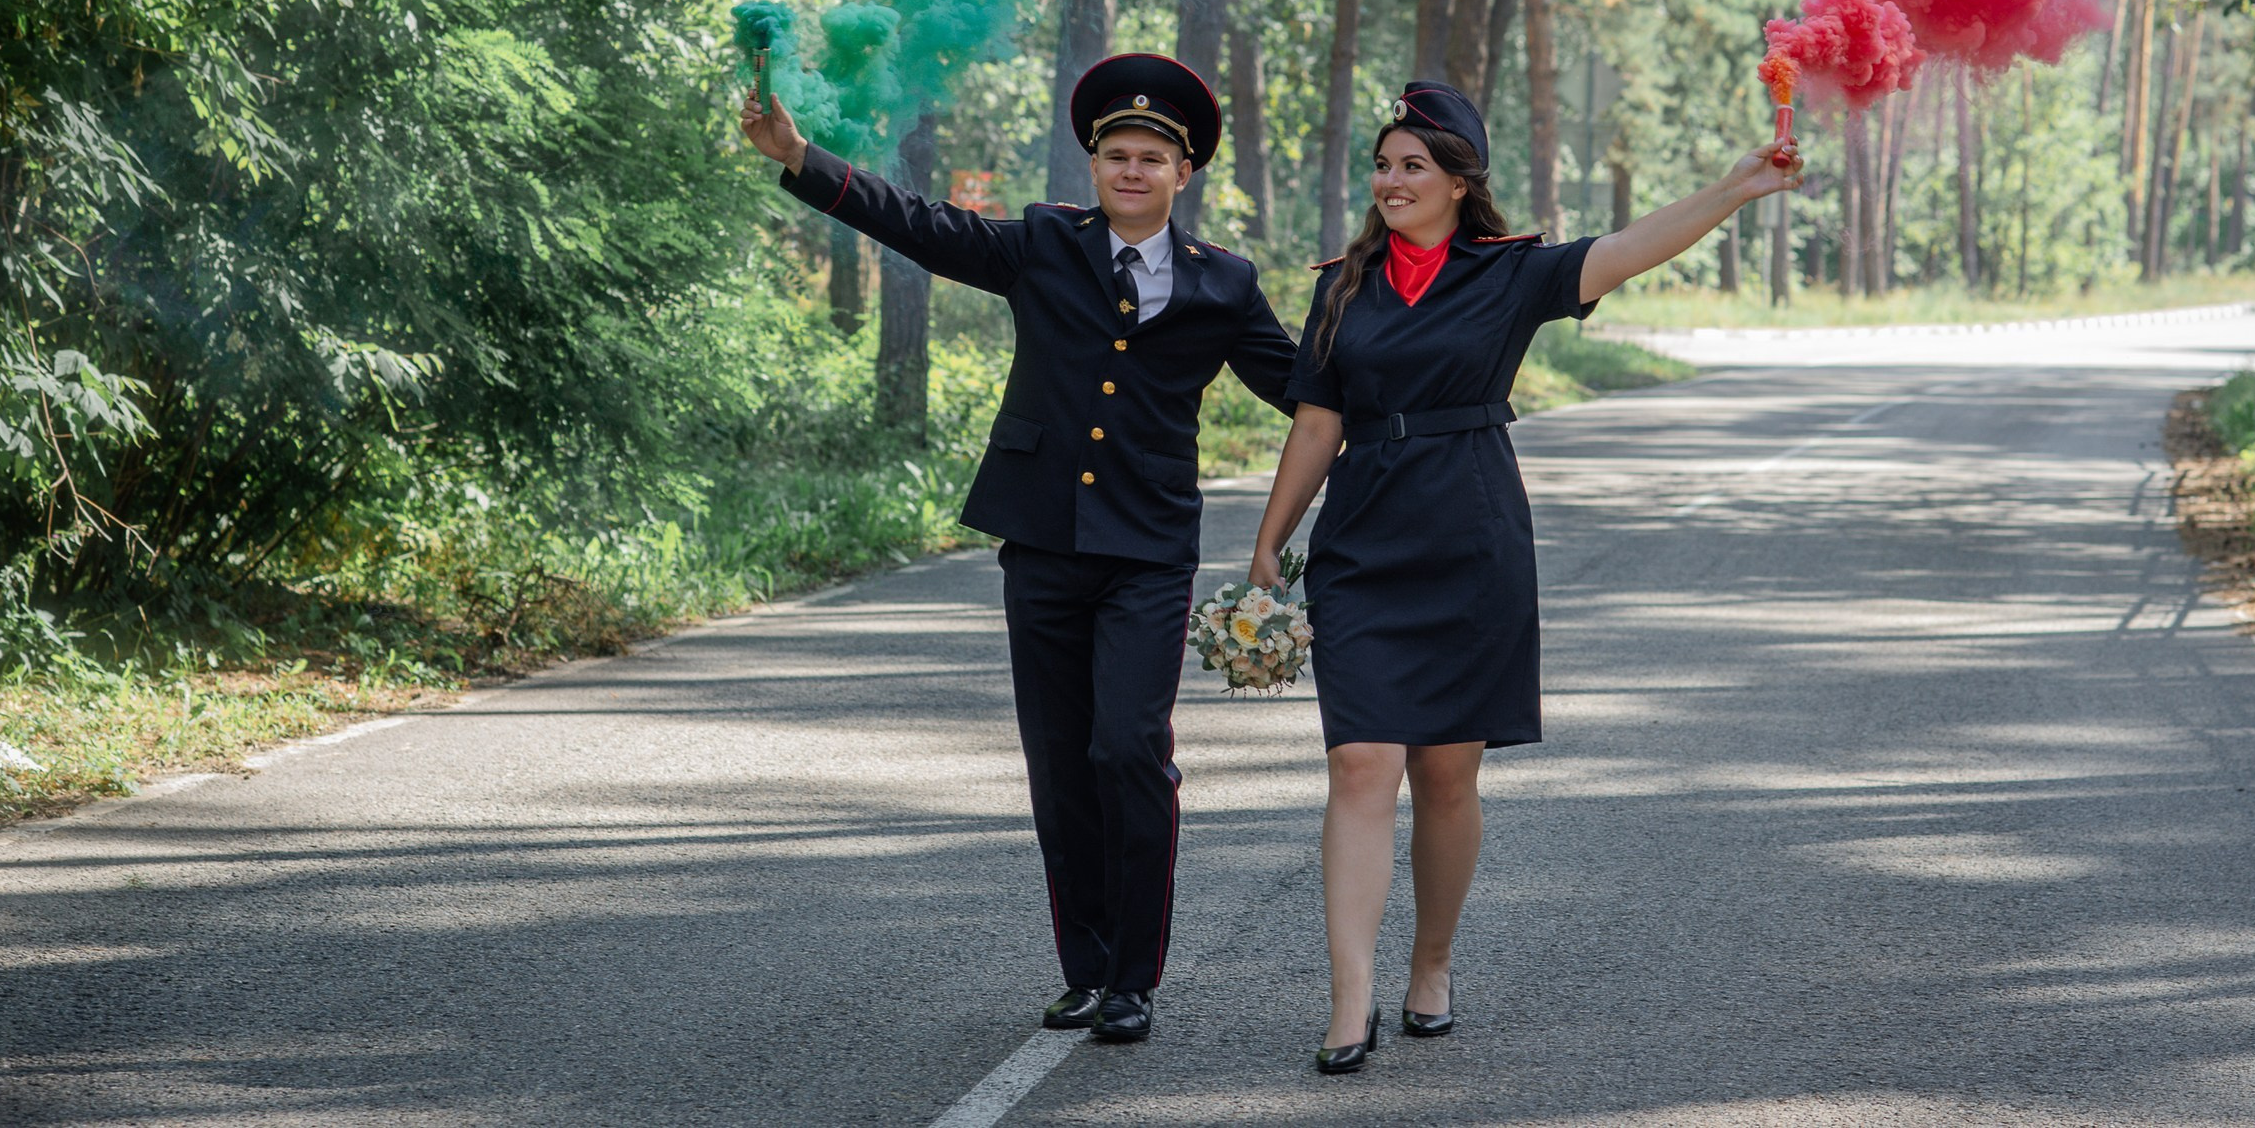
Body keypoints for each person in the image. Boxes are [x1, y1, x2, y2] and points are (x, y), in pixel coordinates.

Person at [740, 53, 1298, 1044]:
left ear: (1183, 173)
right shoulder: (1042, 243)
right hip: (1041, 540)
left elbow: (1308, 389)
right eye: (1115, 155)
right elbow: (919, 224)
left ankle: (1134, 974)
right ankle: (1085, 969)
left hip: (1148, 550)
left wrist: (1427, 383)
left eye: (1150, 158)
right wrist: (801, 159)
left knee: (1126, 748)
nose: (1131, 171)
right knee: (1059, 762)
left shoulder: (1224, 284)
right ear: (1095, 165)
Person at [1246, 80, 1800, 1074]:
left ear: (1460, 182)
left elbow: (1628, 249)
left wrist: (1732, 187)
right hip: (1361, 544)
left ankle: (1432, 965)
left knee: (1447, 776)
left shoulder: (1510, 275)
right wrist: (1266, 543)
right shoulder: (1339, 284)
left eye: (1412, 165)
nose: (1390, 180)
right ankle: (1348, 998)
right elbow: (1317, 421)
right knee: (1359, 761)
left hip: (1470, 536)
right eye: (1381, 164)